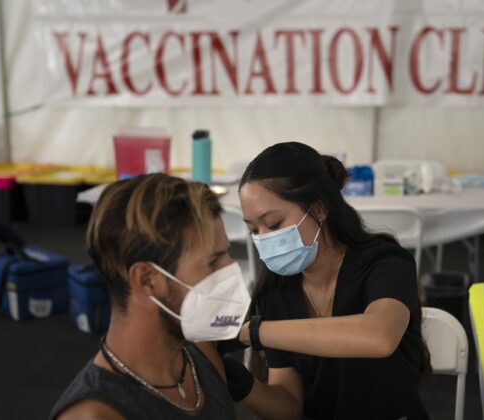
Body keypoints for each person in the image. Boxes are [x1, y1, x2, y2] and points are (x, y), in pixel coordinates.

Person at [222, 142, 431, 419]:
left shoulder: (384, 263)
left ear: (319, 208)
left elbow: (380, 336)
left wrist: (254, 332)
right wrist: (242, 383)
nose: (264, 239)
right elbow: (289, 407)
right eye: (253, 231)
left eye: (273, 224)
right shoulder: (277, 290)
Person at [50, 173, 249, 419]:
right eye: (212, 262)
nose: (231, 271)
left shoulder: (200, 351)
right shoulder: (95, 414)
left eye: (226, 254)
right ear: (147, 280)